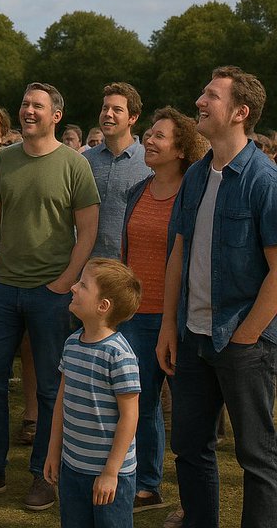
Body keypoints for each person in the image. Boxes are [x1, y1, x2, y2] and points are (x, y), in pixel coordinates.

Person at [0, 82, 100, 512]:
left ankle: (45, 474)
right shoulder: (5, 161)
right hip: (2, 289)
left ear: (56, 114)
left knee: (52, 388)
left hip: (51, 294)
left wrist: (65, 282)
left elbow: (87, 231)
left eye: (37, 106)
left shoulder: (75, 165)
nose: (28, 111)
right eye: (24, 104)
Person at [157, 66, 277, 528]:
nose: (200, 102)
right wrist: (170, 325)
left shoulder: (263, 180)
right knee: (190, 447)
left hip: (243, 342)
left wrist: (246, 336)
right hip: (192, 337)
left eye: (212, 95)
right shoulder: (196, 176)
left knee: (256, 457)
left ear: (240, 113)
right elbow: (178, 255)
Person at [120, 107, 207, 513]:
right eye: (149, 133)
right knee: (140, 398)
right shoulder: (137, 191)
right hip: (134, 313)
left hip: (178, 316)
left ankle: (166, 487)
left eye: (159, 136)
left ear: (181, 148)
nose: (148, 141)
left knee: (185, 407)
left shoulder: (195, 193)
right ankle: (145, 483)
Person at [44, 259, 142, 528]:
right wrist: (54, 452)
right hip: (72, 467)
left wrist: (111, 472)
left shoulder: (119, 355)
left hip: (111, 476)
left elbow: (129, 417)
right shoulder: (72, 344)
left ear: (103, 306)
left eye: (83, 285)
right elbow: (61, 403)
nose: (73, 287)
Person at [85, 84, 151, 259]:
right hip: (88, 266)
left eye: (117, 110)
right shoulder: (84, 161)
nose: (108, 114)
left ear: (133, 118)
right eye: (105, 108)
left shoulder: (149, 162)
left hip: (131, 268)